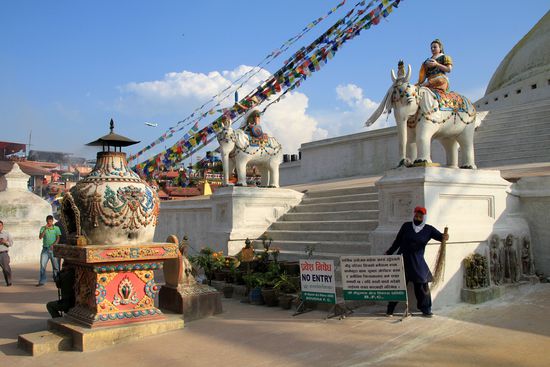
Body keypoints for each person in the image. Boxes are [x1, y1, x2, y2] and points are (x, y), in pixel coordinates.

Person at [385, 206, 449, 317]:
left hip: (417, 261)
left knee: (422, 285)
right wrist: (389, 252)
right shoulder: (406, 226)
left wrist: (445, 236)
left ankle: (426, 309)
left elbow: (440, 237)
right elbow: (398, 241)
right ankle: (390, 309)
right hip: (402, 259)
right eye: (416, 215)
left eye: (420, 216)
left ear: (424, 217)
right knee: (398, 285)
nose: (417, 218)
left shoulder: (429, 229)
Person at [37, 215, 61, 286]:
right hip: (45, 249)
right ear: (46, 221)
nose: (49, 223)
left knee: (56, 266)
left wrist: (54, 245)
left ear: (52, 221)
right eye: (48, 221)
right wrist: (45, 229)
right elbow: (40, 237)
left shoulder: (56, 228)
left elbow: (58, 238)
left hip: (53, 249)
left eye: (50, 221)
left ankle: (57, 279)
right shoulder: (43, 228)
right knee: (42, 266)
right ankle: (42, 281)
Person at [0, 220, 13, 286]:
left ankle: (9, 281)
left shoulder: (6, 233)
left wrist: (5, 242)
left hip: (3, 254)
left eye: (0, 225)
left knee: (6, 269)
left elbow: (11, 243)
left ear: (2, 226)